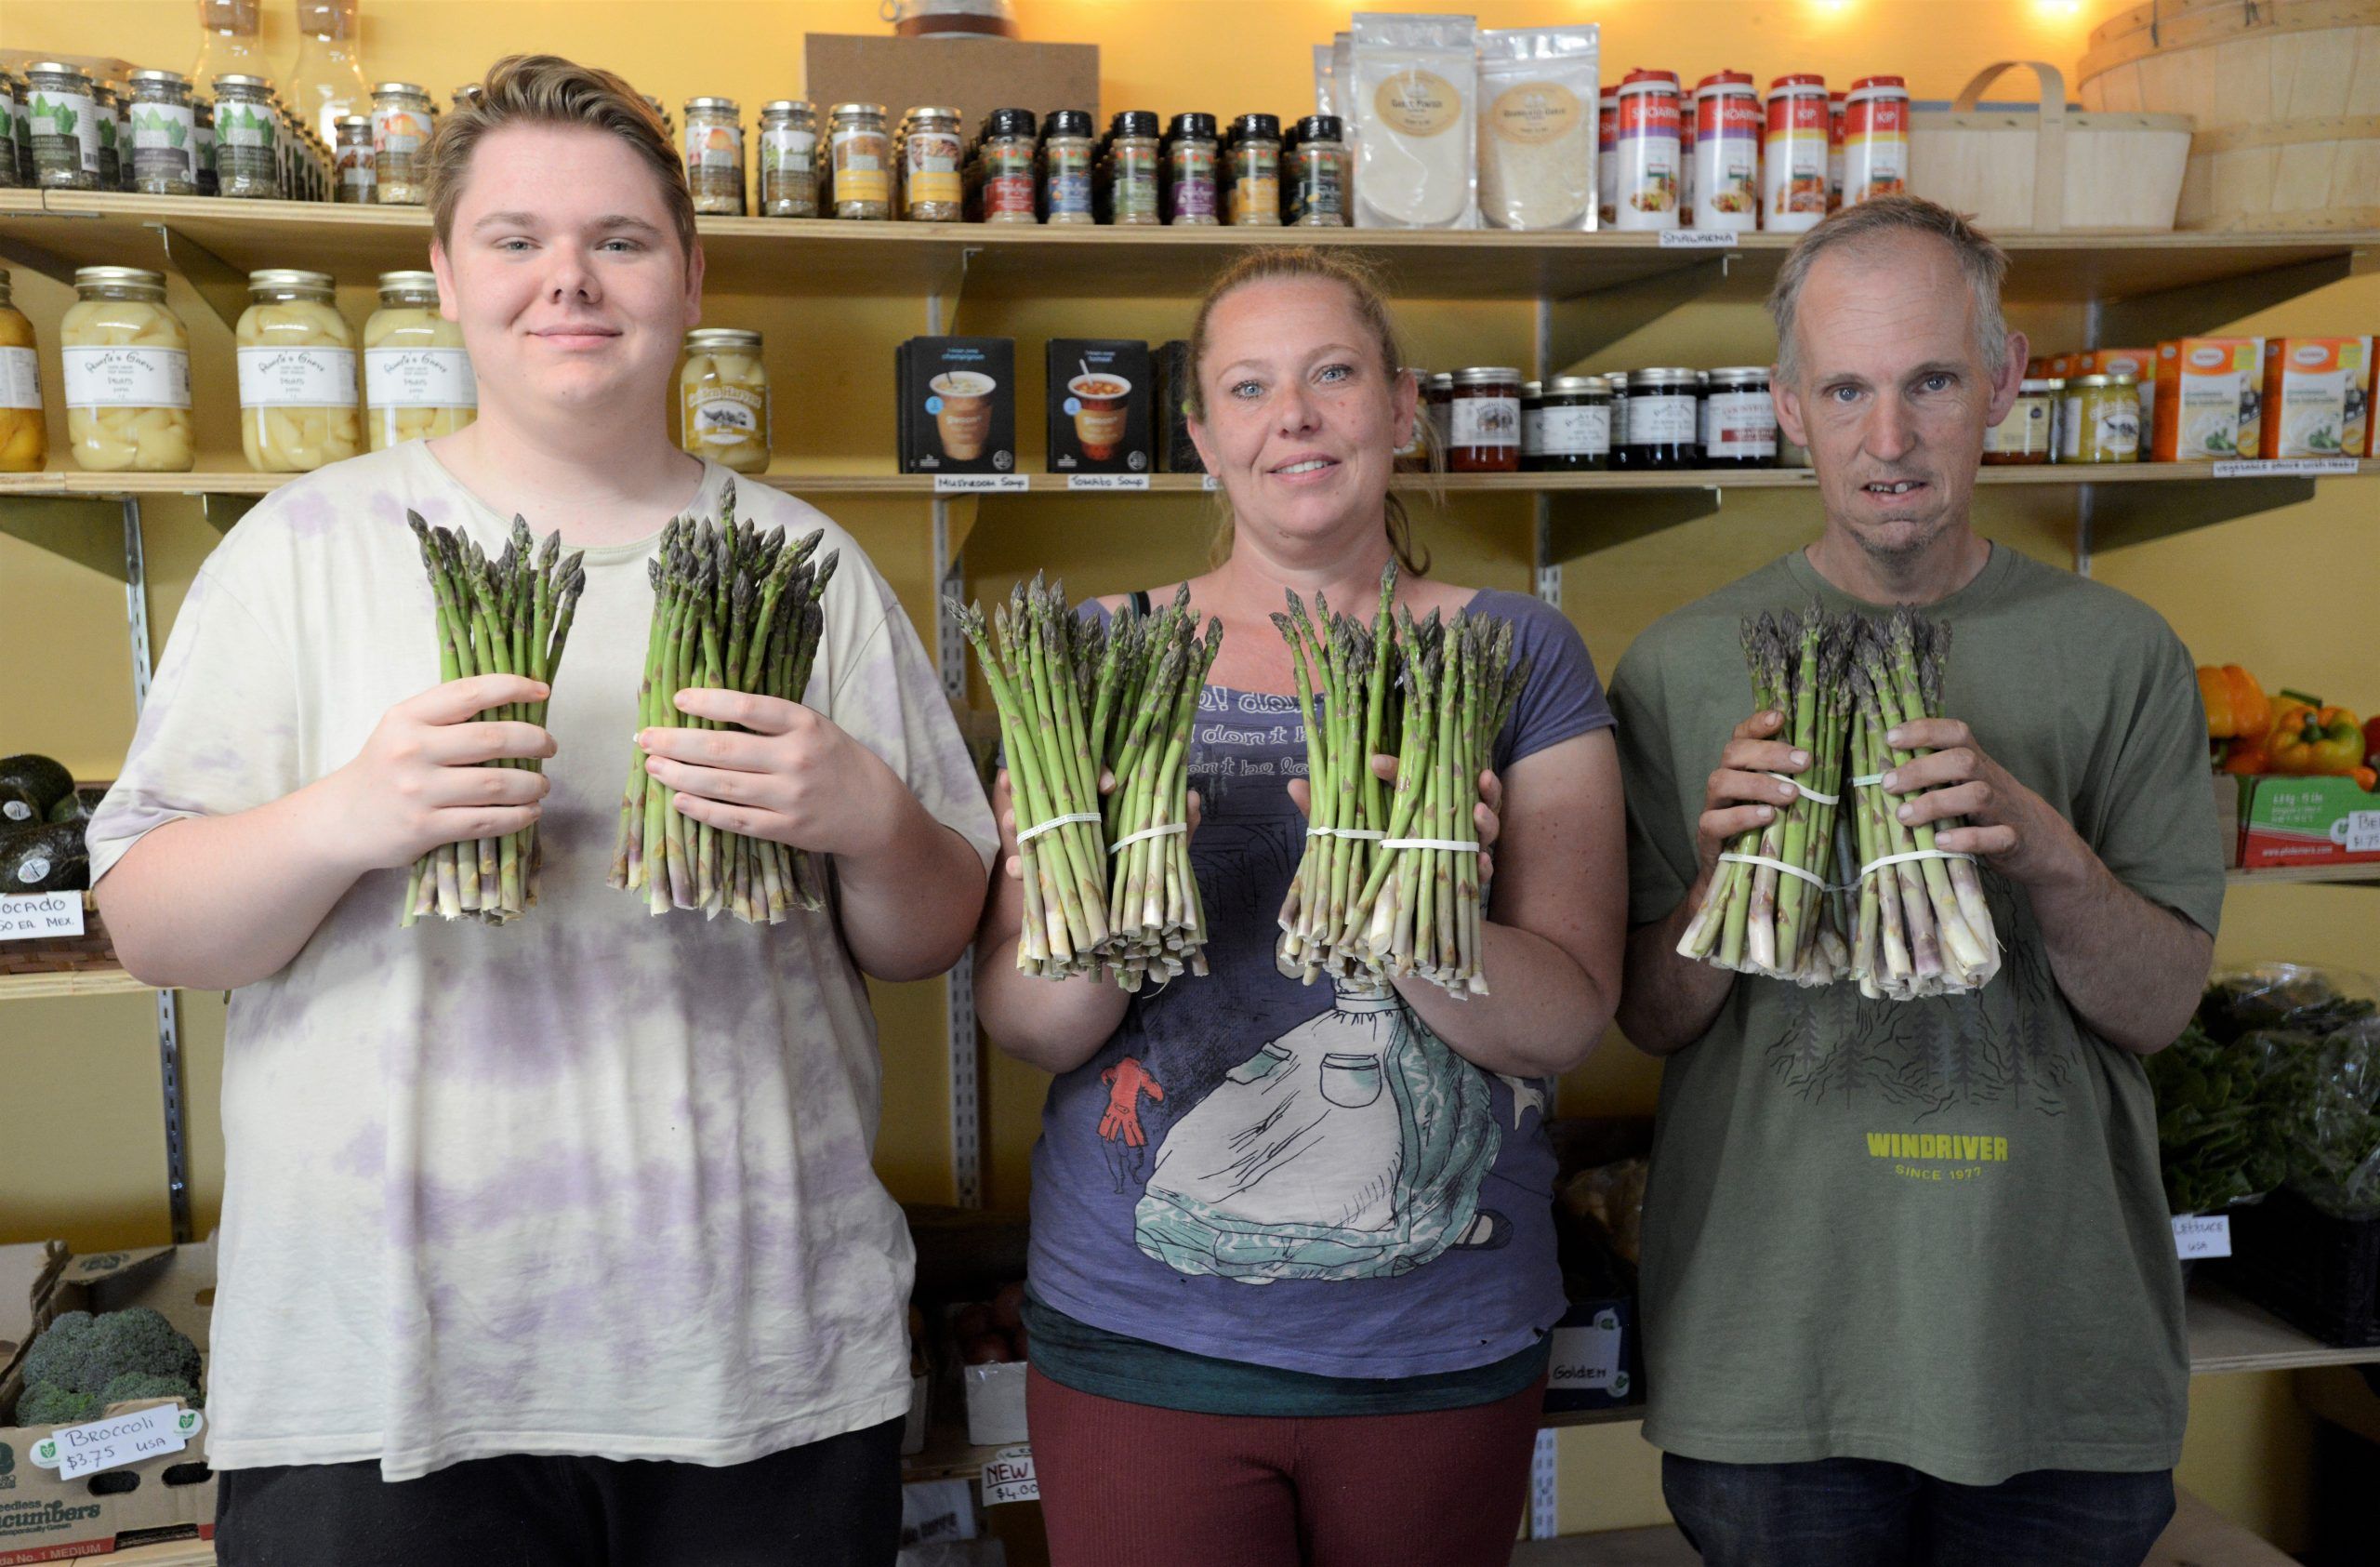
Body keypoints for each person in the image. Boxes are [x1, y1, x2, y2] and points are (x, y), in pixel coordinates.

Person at [88, 55, 994, 1566]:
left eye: (620, 240)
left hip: (756, 1358)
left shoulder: (812, 563)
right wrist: (347, 819)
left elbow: (926, 937)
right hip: (376, 1373)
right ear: (443, 274)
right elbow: (150, 923)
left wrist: (870, 817)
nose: (567, 280)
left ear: (689, 274)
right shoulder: (298, 550)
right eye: (515, 239)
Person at [971, 246, 1628, 1567]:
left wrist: (1408, 894)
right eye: (1252, 387)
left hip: (1436, 1337)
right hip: (1139, 1339)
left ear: (1403, 404)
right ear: (1204, 435)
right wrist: (1084, 899)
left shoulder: (1516, 648)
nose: (1298, 418)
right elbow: (1037, 1028)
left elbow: (1562, 1019)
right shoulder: (1099, 647)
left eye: (1333, 373)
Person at [1609, 195, 2222, 1567]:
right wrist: (1719, 873)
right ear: (1786, 404)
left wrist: (2045, 849)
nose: (1889, 441)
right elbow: (1651, 1016)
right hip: (1776, 1373)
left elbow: (2161, 1003)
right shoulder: (1677, 666)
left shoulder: (2124, 653)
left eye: (1933, 382)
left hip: (2058, 1366)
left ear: (2003, 380)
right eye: (1847, 389)